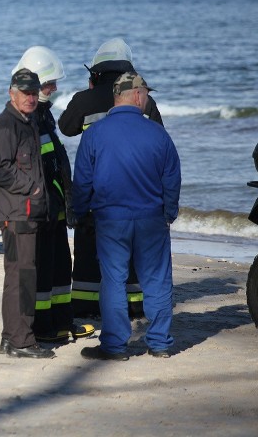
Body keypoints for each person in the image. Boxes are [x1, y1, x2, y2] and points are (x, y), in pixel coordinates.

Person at [72, 73, 181, 360]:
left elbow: (82, 179)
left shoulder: (95, 133)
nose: (147, 100)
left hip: (110, 220)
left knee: (113, 281)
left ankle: (115, 346)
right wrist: (169, 212)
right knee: (156, 280)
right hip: (151, 219)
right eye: (145, 94)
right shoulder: (157, 133)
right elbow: (172, 178)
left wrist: (81, 213)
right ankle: (159, 343)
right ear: (136, 96)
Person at [58, 38, 161, 319]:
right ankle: (136, 305)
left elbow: (65, 128)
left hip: (95, 190)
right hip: (135, 190)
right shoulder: (144, 101)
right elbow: (159, 142)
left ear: (95, 72)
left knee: (89, 248)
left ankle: (86, 305)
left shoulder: (84, 100)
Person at [11, 47, 95, 344]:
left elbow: (56, 162)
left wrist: (69, 200)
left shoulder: (41, 115)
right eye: (50, 84)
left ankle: (62, 323)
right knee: (43, 274)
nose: (55, 88)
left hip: (54, 210)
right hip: (38, 212)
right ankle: (43, 328)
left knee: (60, 269)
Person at [0, 68, 56, 359]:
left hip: (27, 212)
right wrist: (32, 188)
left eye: (33, 93)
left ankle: (10, 338)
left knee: (21, 276)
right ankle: (22, 342)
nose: (29, 98)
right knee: (21, 277)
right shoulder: (6, 125)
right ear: (11, 93)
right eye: (24, 93)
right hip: (17, 214)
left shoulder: (28, 121)